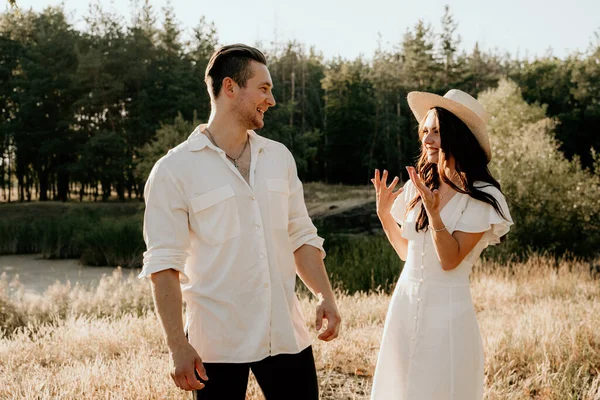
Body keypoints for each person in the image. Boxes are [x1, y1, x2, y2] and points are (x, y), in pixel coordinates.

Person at [139, 44, 341, 400]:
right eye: (264, 88)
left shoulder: (279, 157)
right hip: (215, 344)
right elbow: (163, 264)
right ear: (230, 87)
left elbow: (301, 235)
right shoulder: (173, 170)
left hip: (285, 334)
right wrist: (177, 346)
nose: (272, 100)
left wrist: (324, 294)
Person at [370, 89, 513, 399]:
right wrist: (384, 216)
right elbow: (408, 255)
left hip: (447, 315)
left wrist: (435, 215)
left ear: (457, 136)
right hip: (405, 305)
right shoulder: (419, 186)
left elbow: (449, 261)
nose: (427, 139)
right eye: (425, 131)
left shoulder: (481, 197)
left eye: (436, 131)